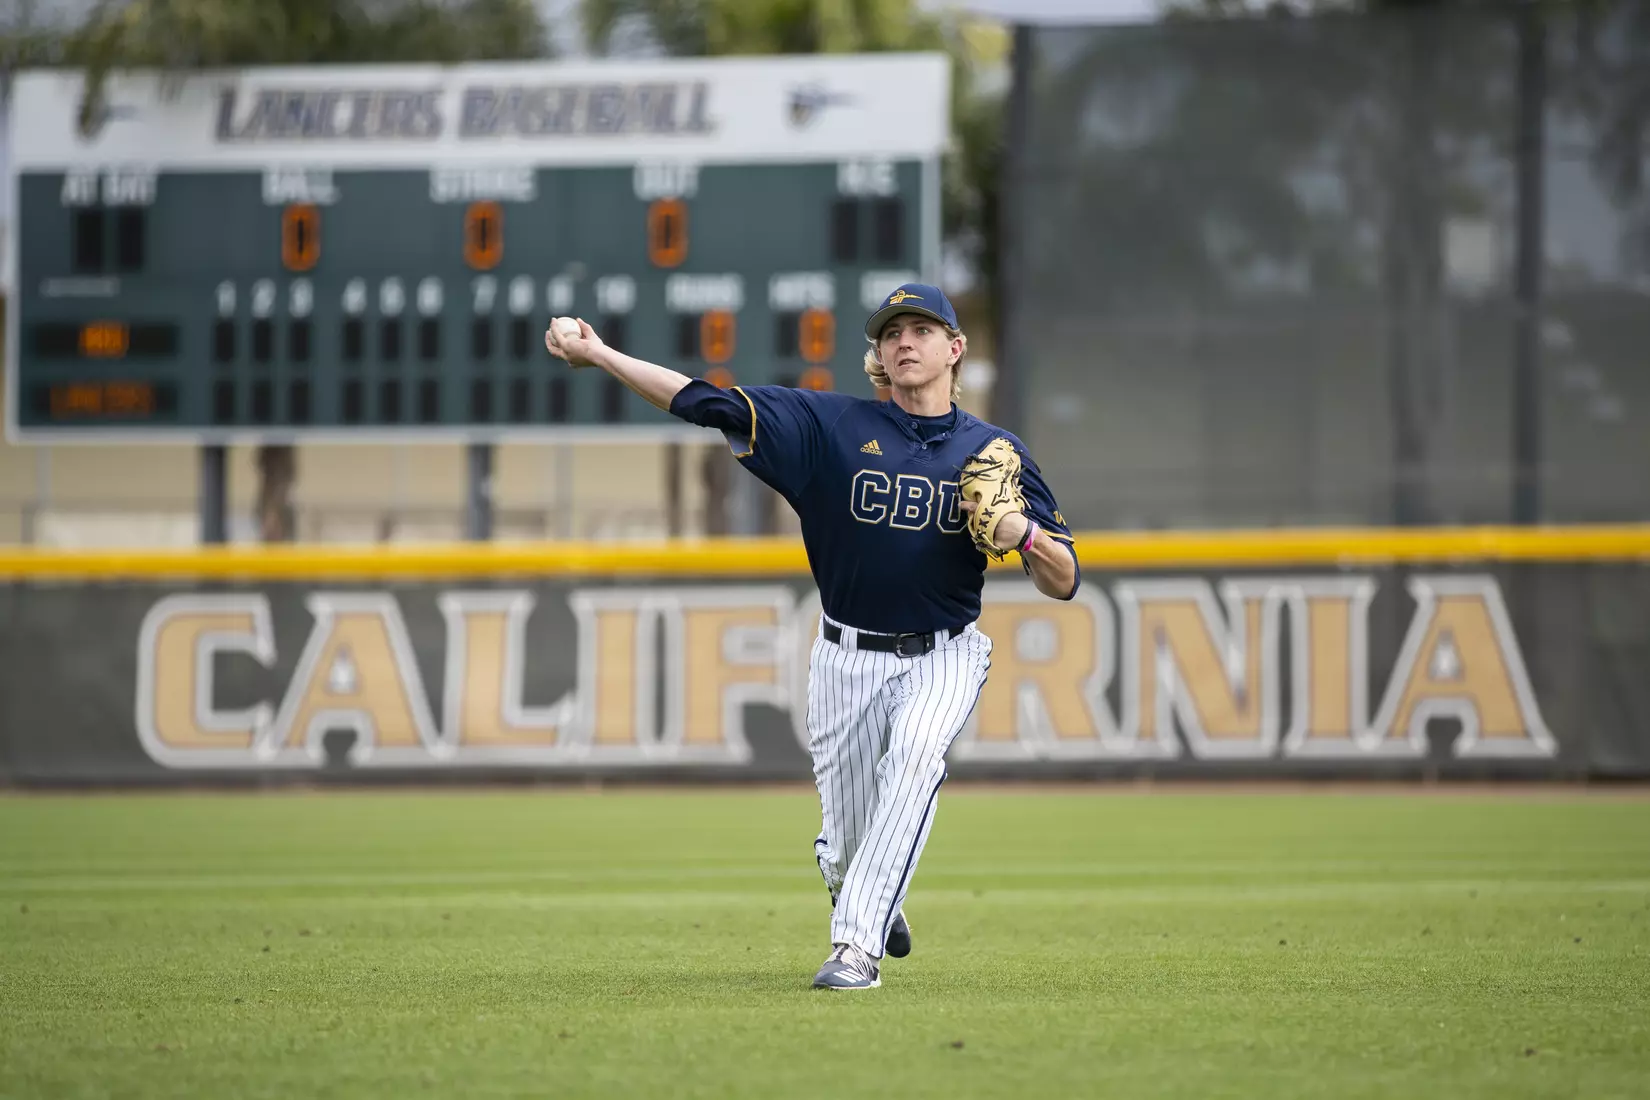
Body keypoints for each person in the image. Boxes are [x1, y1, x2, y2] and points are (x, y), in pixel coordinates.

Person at [545, 284, 1080, 990]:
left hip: (944, 653)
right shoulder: (827, 426)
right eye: (892, 333)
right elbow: (703, 401)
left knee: (916, 760)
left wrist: (1026, 535)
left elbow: (1064, 578)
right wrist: (600, 351)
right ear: (880, 356)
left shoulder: (997, 452)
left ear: (955, 349)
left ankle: (856, 948)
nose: (905, 342)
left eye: (922, 329)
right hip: (844, 657)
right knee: (850, 841)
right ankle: (864, 886)